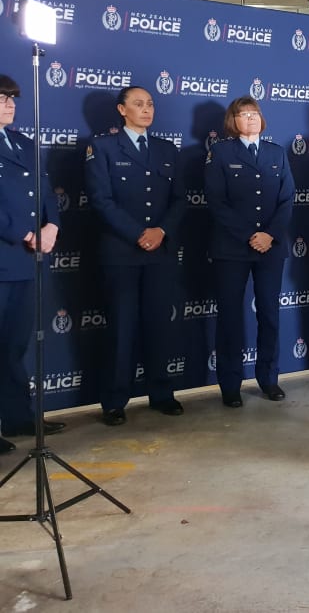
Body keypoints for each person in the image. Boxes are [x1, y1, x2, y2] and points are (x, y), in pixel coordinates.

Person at [84, 86, 186, 425]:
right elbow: (101, 199)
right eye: (138, 104)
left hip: (160, 252)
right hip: (121, 252)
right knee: (122, 328)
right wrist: (137, 233)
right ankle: (114, 400)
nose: (146, 109)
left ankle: (161, 393)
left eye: (150, 104)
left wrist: (161, 231)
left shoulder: (166, 149)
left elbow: (180, 199)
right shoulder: (102, 148)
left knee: (160, 325)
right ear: (122, 110)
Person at [204, 97, 294, 407]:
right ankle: (230, 383)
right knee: (230, 316)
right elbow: (216, 201)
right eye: (244, 114)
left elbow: (287, 199)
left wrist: (269, 235)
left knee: (269, 314)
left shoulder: (276, 153)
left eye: (255, 113)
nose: (251, 119)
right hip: (232, 248)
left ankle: (269, 378)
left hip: (271, 247)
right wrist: (249, 235)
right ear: (233, 120)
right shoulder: (220, 152)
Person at [0, 75, 64, 452]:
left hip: (26, 263)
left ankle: (19, 417)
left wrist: (52, 224)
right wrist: (26, 233)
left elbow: (46, 191)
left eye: (12, 98)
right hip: (9, 252)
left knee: (13, 346)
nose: (9, 104)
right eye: (1, 98)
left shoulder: (24, 142)